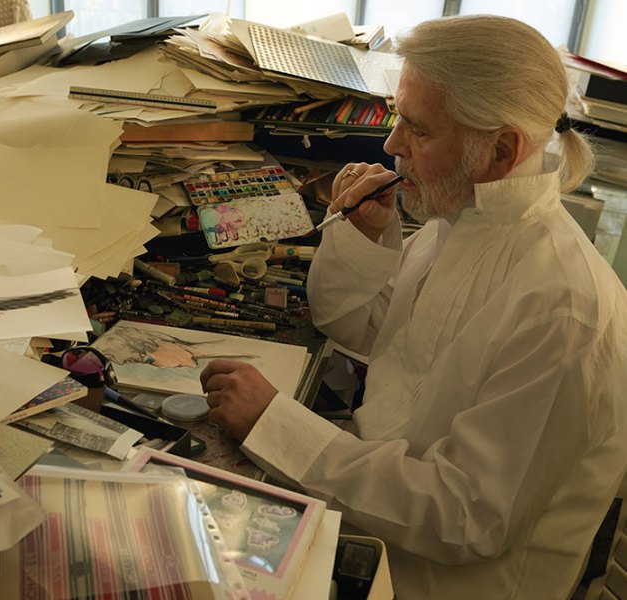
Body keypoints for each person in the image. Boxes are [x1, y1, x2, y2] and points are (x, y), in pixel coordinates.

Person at [200, 15, 627, 600]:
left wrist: (278, 428)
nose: (390, 144)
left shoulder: (563, 309)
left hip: (434, 580)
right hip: (376, 522)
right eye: (399, 115)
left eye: (418, 130)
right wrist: (366, 241)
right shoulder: (462, 219)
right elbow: (380, 340)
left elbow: (465, 517)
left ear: (501, 149)